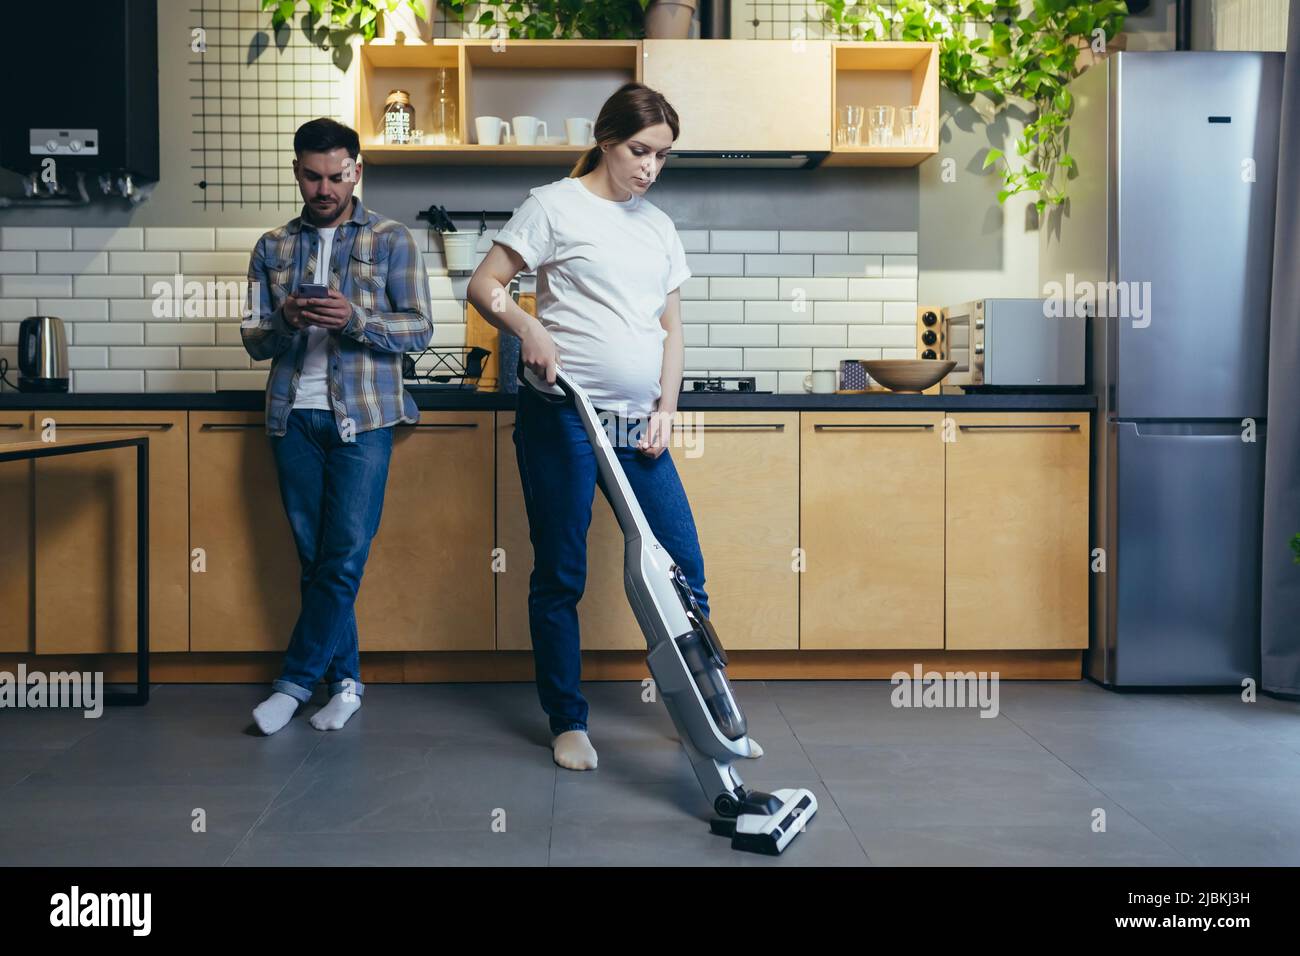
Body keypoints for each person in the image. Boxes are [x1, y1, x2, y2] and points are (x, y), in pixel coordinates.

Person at [466, 82, 761, 771]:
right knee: (562, 573)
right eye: (639, 151)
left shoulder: (657, 226)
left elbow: (672, 327)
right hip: (563, 417)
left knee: (684, 570)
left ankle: (706, 715)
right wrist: (527, 324)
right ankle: (568, 721)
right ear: (606, 139)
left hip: (638, 426)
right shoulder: (554, 206)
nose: (649, 168)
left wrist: (666, 406)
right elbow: (486, 286)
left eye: (661, 157)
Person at [241, 117, 433, 734]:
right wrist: (287, 323)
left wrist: (353, 317)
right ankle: (346, 684)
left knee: (344, 555)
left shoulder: (394, 238)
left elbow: (421, 330)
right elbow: (253, 338)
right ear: (297, 172)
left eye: (337, 175)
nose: (324, 188)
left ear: (356, 170)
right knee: (314, 559)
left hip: (366, 419)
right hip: (292, 416)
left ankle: (295, 684)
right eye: (312, 176)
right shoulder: (271, 247)